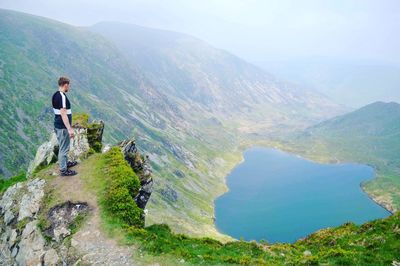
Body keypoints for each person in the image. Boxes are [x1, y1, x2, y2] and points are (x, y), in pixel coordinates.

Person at [52, 76, 78, 176]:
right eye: (69, 85)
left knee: (64, 146)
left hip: (58, 125)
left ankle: (65, 163)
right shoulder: (62, 96)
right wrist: (69, 128)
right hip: (63, 127)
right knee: (64, 148)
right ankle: (63, 170)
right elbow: (63, 113)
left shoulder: (55, 95)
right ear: (65, 84)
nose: (69, 87)